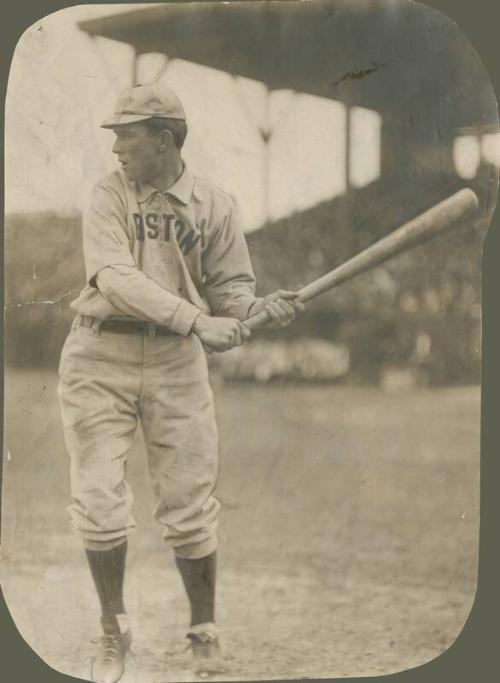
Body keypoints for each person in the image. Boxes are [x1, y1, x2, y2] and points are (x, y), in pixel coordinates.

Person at [57, 82, 303, 683]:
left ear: (164, 140)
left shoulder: (215, 206)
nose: (116, 149)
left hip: (174, 363)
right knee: (97, 497)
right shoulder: (108, 196)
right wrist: (201, 321)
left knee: (190, 501)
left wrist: (255, 309)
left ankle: (203, 630)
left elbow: (231, 292)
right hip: (99, 352)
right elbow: (113, 277)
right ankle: (113, 631)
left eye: (127, 136)